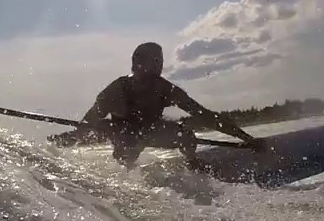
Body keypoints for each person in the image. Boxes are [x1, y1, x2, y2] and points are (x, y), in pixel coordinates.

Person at [79, 42, 258, 170]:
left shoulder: (164, 88)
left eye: (160, 61)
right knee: (125, 143)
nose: (160, 66)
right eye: (155, 61)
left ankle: (192, 162)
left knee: (185, 133)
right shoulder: (118, 88)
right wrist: (68, 139)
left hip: (152, 130)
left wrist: (245, 137)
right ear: (137, 63)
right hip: (124, 136)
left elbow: (204, 115)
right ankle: (123, 171)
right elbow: (90, 119)